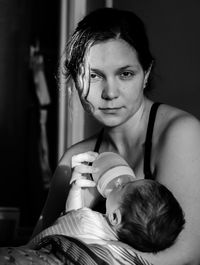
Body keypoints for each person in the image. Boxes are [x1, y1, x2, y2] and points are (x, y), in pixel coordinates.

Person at [31, 7, 200, 265]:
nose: (110, 93)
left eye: (125, 74)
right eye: (94, 75)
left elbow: (186, 254)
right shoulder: (75, 159)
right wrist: (73, 212)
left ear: (147, 74)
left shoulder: (180, 133)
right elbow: (36, 246)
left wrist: (85, 256)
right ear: (75, 80)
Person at [29, 152, 185, 254]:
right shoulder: (120, 251)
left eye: (123, 186)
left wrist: (75, 190)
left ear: (115, 217)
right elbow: (75, 219)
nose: (118, 183)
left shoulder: (85, 221)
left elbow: (73, 216)